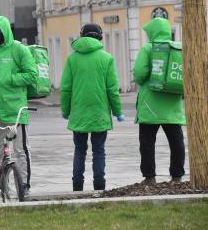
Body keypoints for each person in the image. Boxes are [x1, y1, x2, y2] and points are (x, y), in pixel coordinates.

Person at [60, 23, 124, 191]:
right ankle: (99, 185)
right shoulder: (106, 58)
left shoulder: (72, 59)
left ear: (82, 36)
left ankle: (77, 185)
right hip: (99, 113)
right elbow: (112, 89)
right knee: (99, 150)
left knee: (79, 150)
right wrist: (118, 112)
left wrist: (66, 110)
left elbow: (66, 88)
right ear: (100, 37)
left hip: (79, 113)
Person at [0, 15, 38, 196]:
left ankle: (24, 186)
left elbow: (32, 74)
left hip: (16, 111)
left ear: (5, 31)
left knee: (20, 151)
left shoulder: (19, 49)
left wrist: (10, 79)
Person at [133, 17, 186, 185]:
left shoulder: (148, 48)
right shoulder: (178, 48)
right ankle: (177, 176)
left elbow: (140, 74)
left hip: (151, 105)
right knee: (176, 141)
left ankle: (149, 177)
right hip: (173, 104)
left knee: (147, 142)